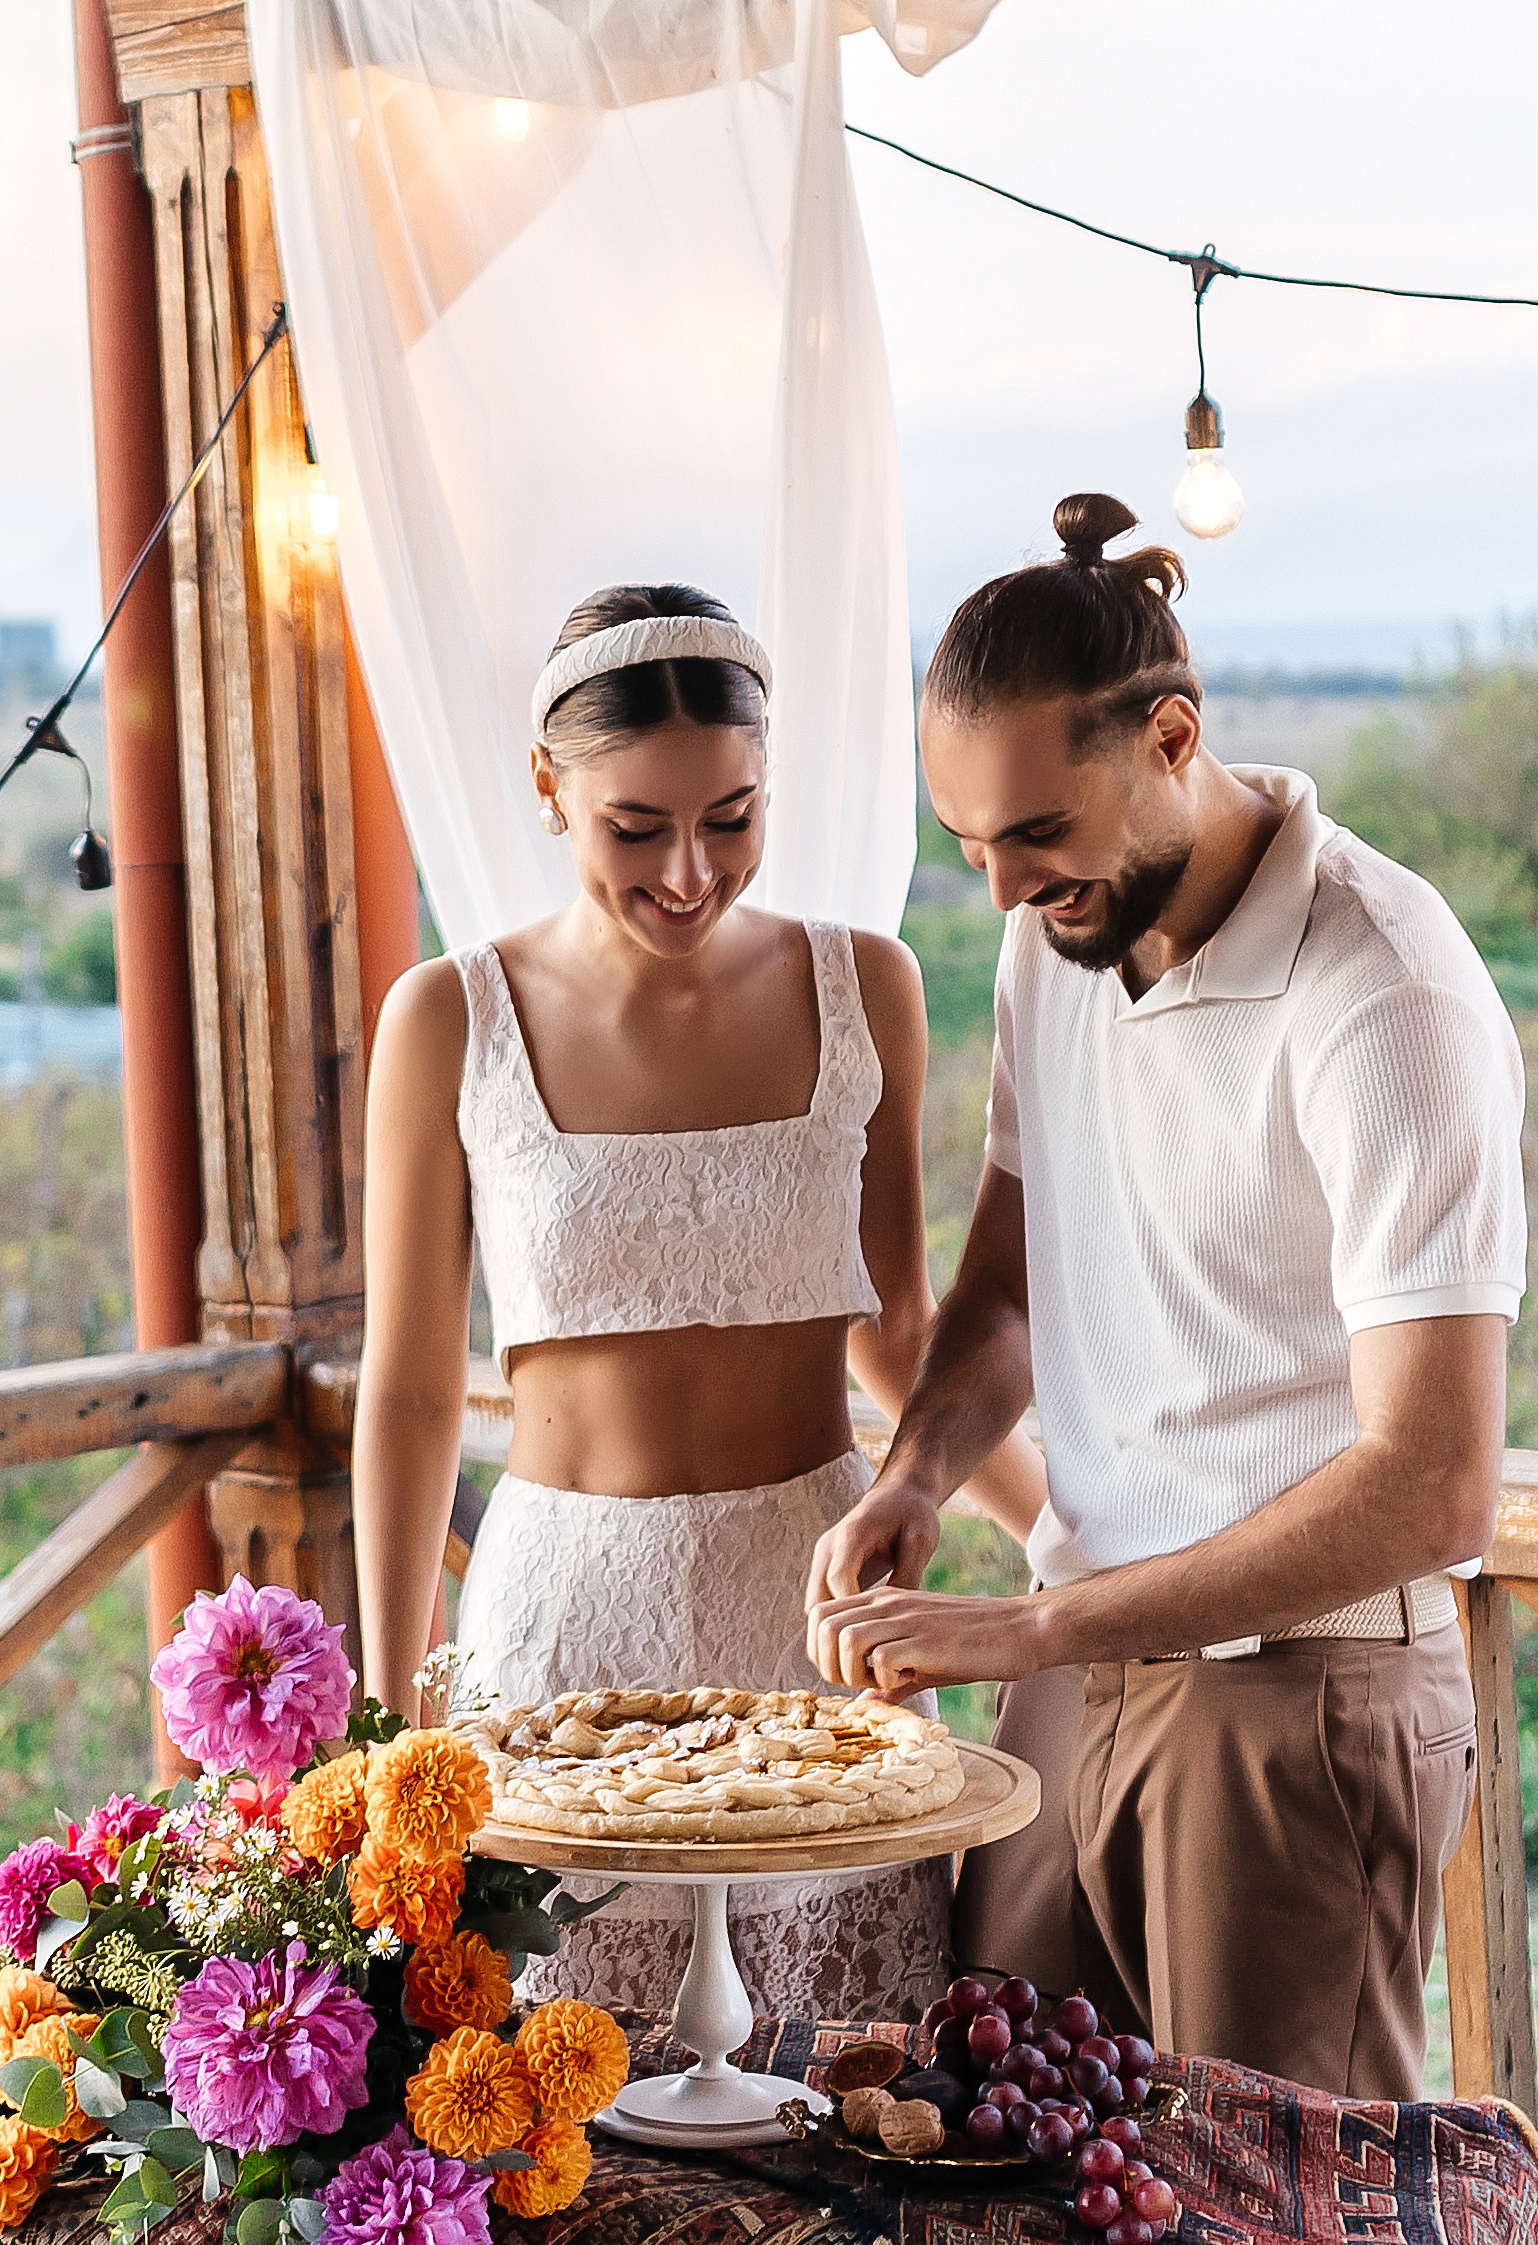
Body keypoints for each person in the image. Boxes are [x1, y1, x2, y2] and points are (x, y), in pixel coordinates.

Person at [805, 495, 1525, 2101]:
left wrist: (1032, 1618)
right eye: (968, 846)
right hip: (1073, 1678)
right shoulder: (1053, 943)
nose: (999, 888)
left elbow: (1434, 1479)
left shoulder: (1385, 988)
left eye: (1036, 836)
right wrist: (920, 1476)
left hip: (1300, 1703)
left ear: (1173, 737)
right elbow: (1003, 1299)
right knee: (1011, 2186)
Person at [354, 580, 1045, 2019]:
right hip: (556, 1623)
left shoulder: (869, 987)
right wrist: (384, 1703)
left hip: (812, 1606)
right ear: (549, 790)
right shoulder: (448, 1018)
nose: (689, 870)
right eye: (636, 828)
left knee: (844, 2088)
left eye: (732, 818)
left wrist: (1065, 1539)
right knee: (561, 2098)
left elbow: (897, 1324)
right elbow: (413, 1386)